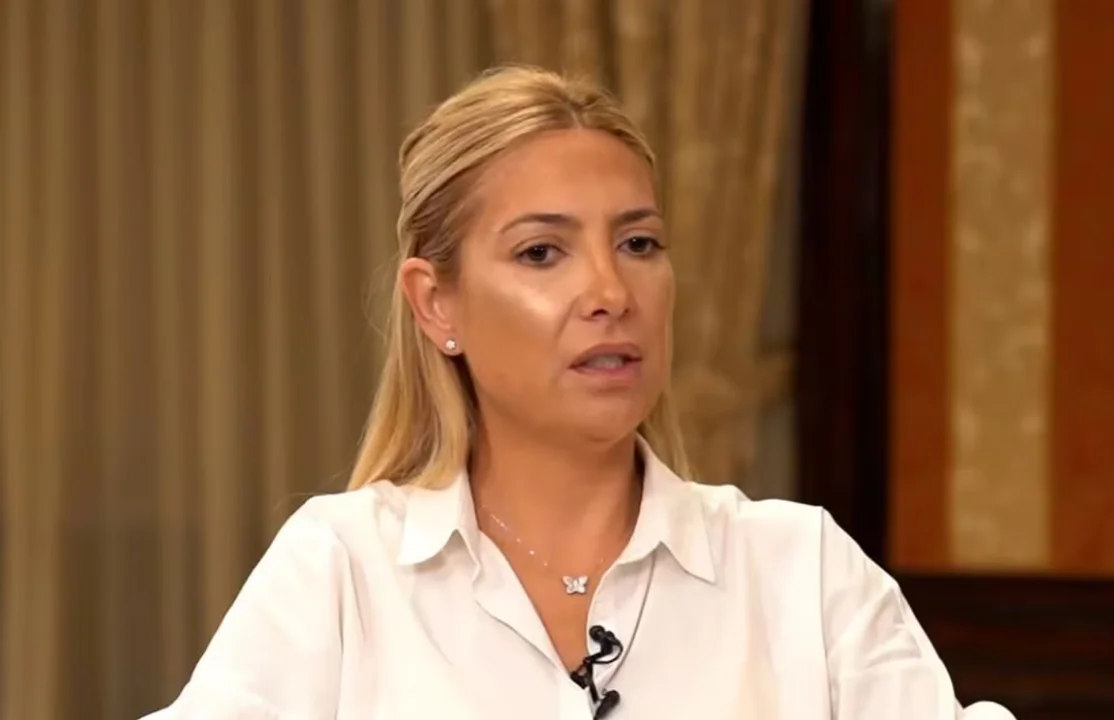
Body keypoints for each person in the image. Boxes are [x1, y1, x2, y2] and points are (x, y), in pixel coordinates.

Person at [142, 66, 1014, 720]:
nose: (609, 291)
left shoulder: (799, 571)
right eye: (541, 253)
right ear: (436, 303)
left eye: (639, 244)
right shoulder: (342, 570)